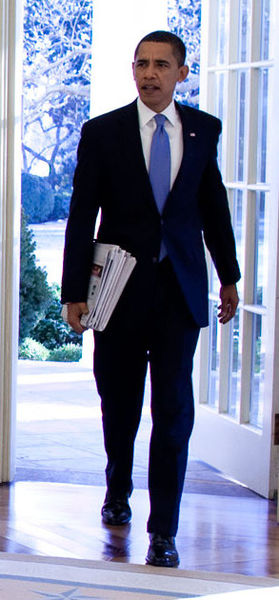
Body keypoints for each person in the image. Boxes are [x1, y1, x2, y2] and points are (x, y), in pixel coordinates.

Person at [61, 30, 241, 568]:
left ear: (182, 72)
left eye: (162, 64)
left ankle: (164, 530)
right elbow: (80, 217)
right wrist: (74, 293)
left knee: (174, 413)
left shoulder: (204, 130)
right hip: (116, 294)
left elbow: (214, 207)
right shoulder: (104, 133)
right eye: (141, 64)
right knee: (119, 407)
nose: (150, 74)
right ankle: (118, 490)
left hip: (179, 294)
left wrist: (228, 277)